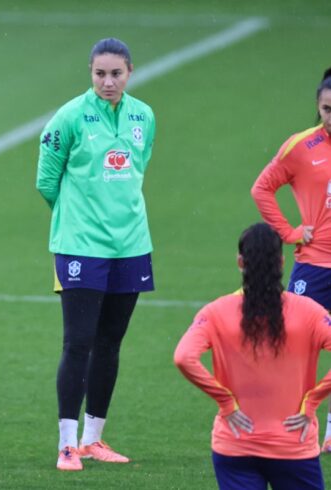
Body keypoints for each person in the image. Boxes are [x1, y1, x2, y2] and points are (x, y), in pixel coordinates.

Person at [35, 38, 156, 471]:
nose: (108, 81)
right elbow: (47, 180)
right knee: (79, 342)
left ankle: (94, 439)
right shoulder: (69, 117)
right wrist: (76, 218)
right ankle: (67, 444)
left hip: (132, 246)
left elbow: (137, 171)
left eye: (116, 74)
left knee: (110, 344)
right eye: (100, 73)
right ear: (90, 72)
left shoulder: (144, 116)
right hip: (80, 246)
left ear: (130, 72)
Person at [174, 223, 331, 490]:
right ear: (281, 262)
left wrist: (226, 402)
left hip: (235, 444)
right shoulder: (310, 312)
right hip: (293, 445)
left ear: (240, 262)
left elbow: (183, 357)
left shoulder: (215, 312)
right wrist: (313, 399)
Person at [251, 67, 331, 451]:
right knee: (297, 345)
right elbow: (262, 188)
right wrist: (290, 232)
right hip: (315, 265)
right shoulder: (300, 147)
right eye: (328, 109)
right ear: (318, 108)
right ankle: (289, 422)